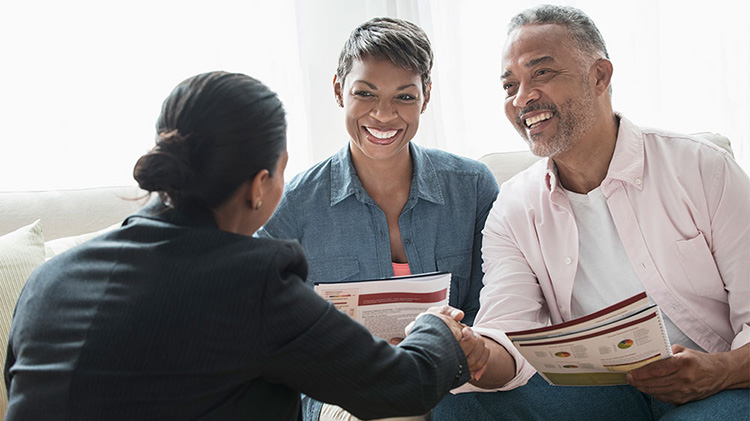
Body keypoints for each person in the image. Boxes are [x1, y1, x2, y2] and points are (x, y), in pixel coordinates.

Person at [3, 71, 490, 420]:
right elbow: (401, 387)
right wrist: (435, 328)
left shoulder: (51, 277)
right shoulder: (253, 280)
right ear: (260, 185)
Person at [432, 5, 750, 421]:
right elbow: (507, 341)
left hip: (716, 385)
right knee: (454, 407)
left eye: (541, 73)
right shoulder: (512, 208)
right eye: (510, 85)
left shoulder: (702, 167)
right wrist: (474, 351)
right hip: (596, 395)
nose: (522, 98)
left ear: (600, 76)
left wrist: (718, 372)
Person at [257, 17, 499, 421]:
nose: (383, 115)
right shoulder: (294, 204)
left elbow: (490, 306)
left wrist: (452, 344)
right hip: (341, 392)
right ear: (339, 91)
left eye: (404, 97)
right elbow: (267, 326)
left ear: (425, 96)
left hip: (453, 379)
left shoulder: (471, 186)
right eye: (365, 93)